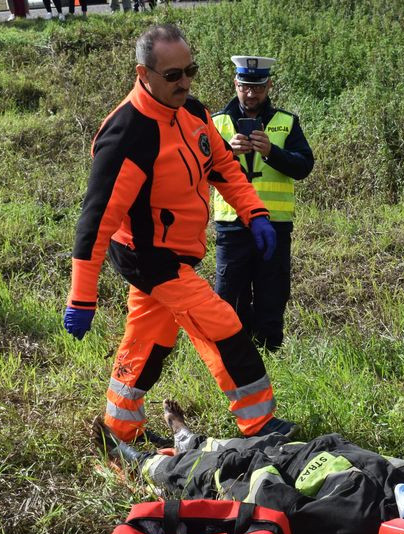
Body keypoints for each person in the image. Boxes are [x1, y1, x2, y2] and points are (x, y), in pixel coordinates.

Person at [63, 24, 294, 445]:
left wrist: (255, 213)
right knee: (220, 321)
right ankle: (259, 424)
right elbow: (95, 222)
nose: (184, 82)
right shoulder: (127, 134)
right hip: (148, 255)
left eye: (191, 71)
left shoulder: (193, 113)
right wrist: (82, 294)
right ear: (143, 73)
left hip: (180, 251)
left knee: (149, 338)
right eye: (173, 76)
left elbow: (223, 166)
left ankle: (117, 428)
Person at [96, 399, 404, 534]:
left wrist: (250, 473)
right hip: (297, 451)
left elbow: (282, 513)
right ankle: (187, 439)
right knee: (232, 445)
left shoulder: (356, 520)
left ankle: (141, 462)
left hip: (263, 472)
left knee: (203, 470)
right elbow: (381, 463)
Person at [211, 55, 314, 351]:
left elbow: (304, 166)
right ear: (235, 84)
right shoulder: (216, 123)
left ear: (269, 85)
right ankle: (235, 359)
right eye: (245, 87)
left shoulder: (286, 122)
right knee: (229, 298)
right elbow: (199, 169)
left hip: (275, 226)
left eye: (257, 87)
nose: (251, 94)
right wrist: (226, 155)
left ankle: (271, 358)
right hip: (232, 226)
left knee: (272, 296)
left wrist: (271, 152)